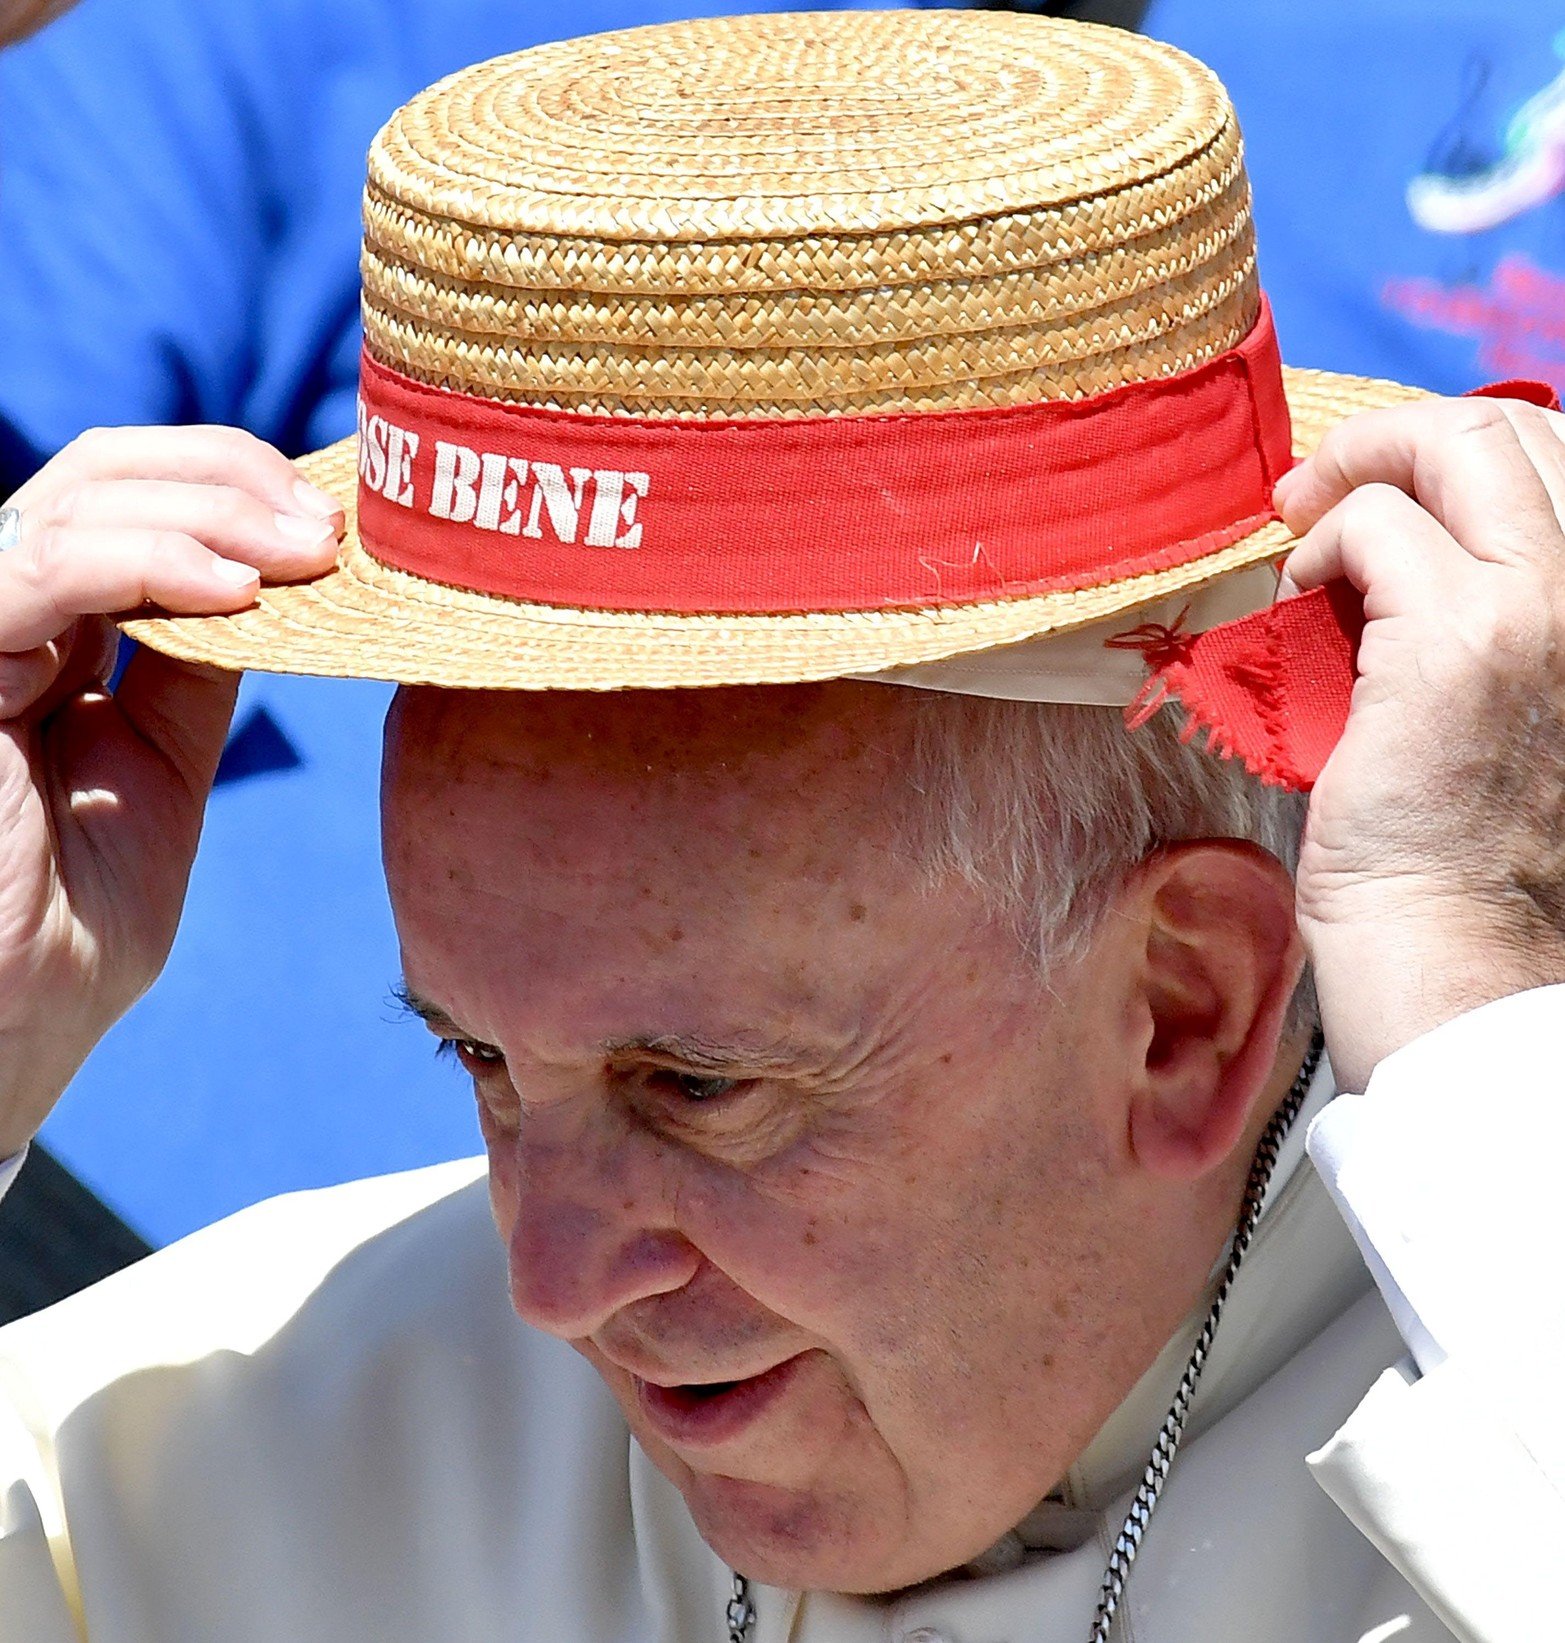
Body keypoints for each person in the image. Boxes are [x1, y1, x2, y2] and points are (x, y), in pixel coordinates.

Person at [0, 13, 1561, 1641]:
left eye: (695, 1088)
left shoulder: (1506, 1323)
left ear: (1184, 1012)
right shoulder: (285, 1419)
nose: (550, 1287)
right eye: (477, 1062)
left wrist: (1488, 1044)